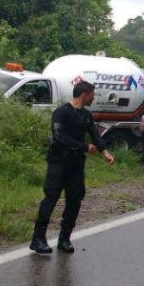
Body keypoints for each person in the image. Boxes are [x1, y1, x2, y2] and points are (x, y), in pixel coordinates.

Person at [29, 80, 114, 254]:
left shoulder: (86, 115)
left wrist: (105, 151)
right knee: (51, 197)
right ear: (85, 94)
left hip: (76, 164)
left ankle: (64, 239)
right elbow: (59, 135)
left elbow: (94, 135)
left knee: (75, 199)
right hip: (58, 162)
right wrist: (84, 147)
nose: (94, 97)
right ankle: (38, 239)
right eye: (93, 94)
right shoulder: (62, 112)